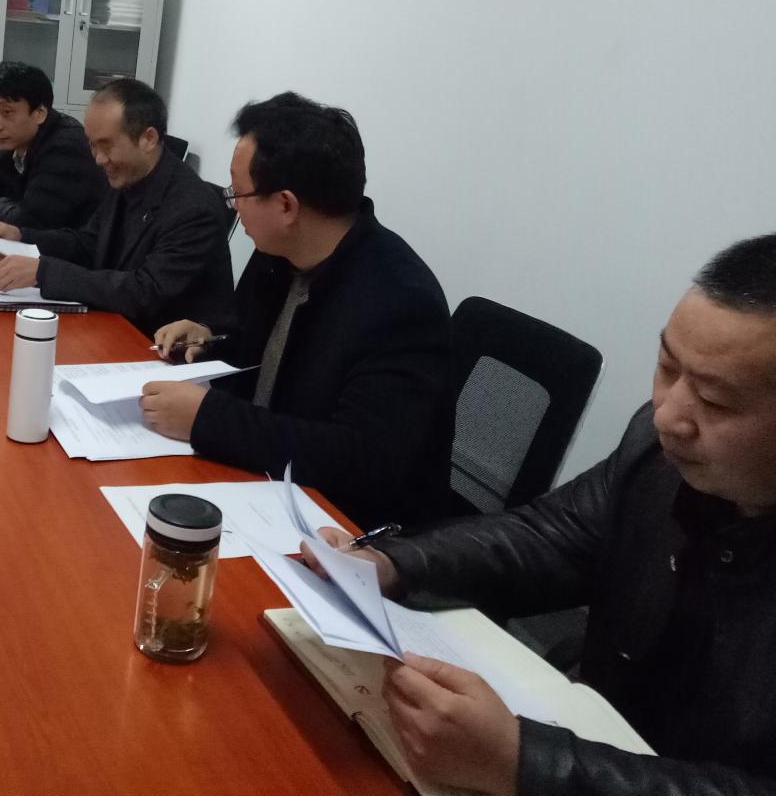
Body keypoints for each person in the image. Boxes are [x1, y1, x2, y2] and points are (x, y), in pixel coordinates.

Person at [302, 233, 776, 795]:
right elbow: (550, 536)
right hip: (597, 731)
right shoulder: (657, 454)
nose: (668, 415)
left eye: (715, 401)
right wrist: (393, 563)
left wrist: (523, 762)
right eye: (668, 368)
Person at [140, 92, 452, 528]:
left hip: (344, 527)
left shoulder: (401, 303)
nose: (233, 205)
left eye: (238, 192)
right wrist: (210, 338)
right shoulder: (278, 256)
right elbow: (264, 356)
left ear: (286, 205)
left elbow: (362, 460)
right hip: (261, 479)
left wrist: (208, 418)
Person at [0, 78, 233, 338]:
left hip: (152, 342)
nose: (99, 159)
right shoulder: (128, 177)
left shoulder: (192, 208)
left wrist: (43, 272)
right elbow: (89, 243)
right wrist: (21, 237)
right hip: (111, 326)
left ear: (148, 138)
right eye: (92, 144)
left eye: (106, 145)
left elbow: (145, 292)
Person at [0, 61, 105, 230]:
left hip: (71, 244)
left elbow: (28, 221)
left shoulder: (66, 148)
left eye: (7, 112)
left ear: (39, 113)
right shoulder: (15, 138)